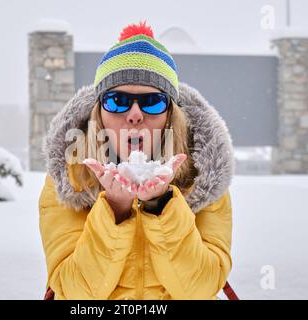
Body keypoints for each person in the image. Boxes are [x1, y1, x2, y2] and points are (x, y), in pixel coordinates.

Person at [39, 21, 235, 300]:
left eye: (152, 101)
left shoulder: (204, 178)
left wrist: (161, 204)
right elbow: (74, 291)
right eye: (117, 100)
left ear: (171, 113)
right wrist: (115, 209)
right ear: (99, 112)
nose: (134, 115)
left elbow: (201, 287)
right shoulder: (69, 179)